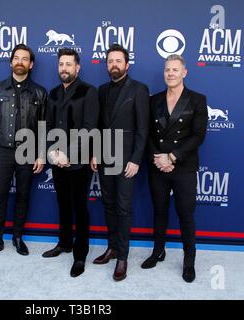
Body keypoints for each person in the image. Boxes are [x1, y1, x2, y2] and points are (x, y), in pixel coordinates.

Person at [141, 54, 208, 283]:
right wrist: (158, 158)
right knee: (159, 212)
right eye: (167, 70)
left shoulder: (197, 100)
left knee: (185, 215)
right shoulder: (154, 100)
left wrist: (173, 157)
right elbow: (148, 133)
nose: (170, 73)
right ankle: (158, 251)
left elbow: (198, 135)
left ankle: (189, 262)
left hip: (184, 166)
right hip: (158, 164)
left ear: (184, 73)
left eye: (175, 70)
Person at [0, 44, 47, 260]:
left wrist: (41, 154)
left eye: (24, 59)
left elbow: (44, 126)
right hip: (2, 151)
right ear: (10, 63)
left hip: (28, 152)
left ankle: (17, 237)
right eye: (16, 58)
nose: (20, 62)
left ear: (31, 64)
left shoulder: (39, 92)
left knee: (23, 196)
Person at [91, 44, 149, 281]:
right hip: (105, 156)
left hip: (126, 159)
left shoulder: (139, 89)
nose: (113, 65)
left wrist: (136, 159)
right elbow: (98, 126)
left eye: (118, 61)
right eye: (110, 61)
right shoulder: (102, 90)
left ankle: (123, 257)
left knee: (124, 207)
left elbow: (143, 129)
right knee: (109, 204)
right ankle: (112, 247)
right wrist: (95, 152)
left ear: (127, 64)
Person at [42, 48, 99, 278]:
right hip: (57, 161)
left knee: (79, 208)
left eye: (68, 64)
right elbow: (47, 126)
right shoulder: (53, 93)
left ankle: (80, 254)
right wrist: (52, 153)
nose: (64, 68)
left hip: (79, 162)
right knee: (63, 204)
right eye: (61, 64)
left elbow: (89, 127)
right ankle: (64, 243)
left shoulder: (89, 92)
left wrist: (69, 154)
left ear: (78, 67)